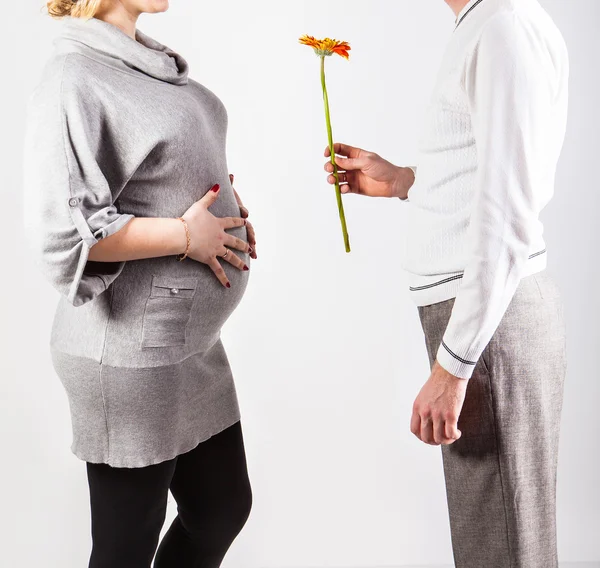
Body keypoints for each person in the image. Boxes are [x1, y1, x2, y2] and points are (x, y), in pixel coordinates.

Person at [323, 0, 569, 566]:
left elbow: (509, 212)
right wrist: (408, 180)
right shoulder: (487, 24)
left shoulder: (502, 27)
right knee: (496, 542)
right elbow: (492, 171)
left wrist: (453, 365)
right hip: (484, 318)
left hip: (488, 327)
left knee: (504, 548)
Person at [22, 1, 257, 566]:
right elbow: (66, 232)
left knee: (222, 507)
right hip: (128, 349)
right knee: (126, 547)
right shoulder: (72, 76)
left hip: (187, 346)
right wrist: (184, 233)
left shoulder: (146, 62)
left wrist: (221, 209)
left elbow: (156, 170)